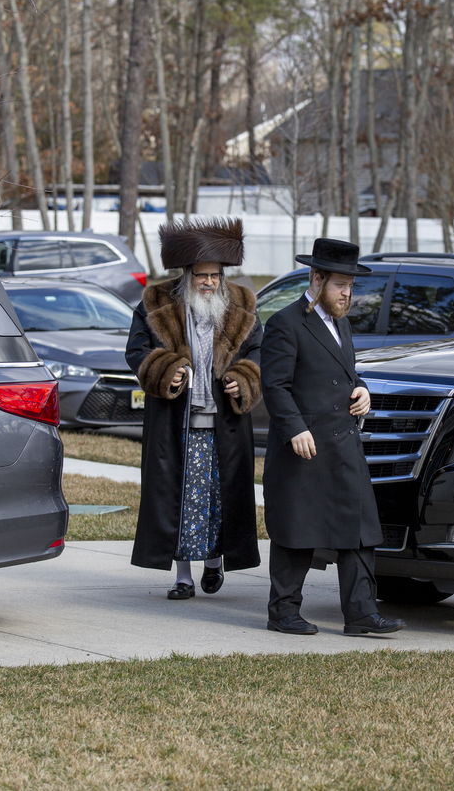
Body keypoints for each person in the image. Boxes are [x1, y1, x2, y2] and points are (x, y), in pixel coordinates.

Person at [260, 238, 404, 636]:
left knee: (359, 529)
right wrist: (295, 429)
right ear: (317, 277)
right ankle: (283, 612)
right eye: (341, 285)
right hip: (302, 448)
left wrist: (362, 389)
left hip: (343, 445)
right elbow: (275, 385)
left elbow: (344, 372)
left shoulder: (342, 323)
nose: (347, 294)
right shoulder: (285, 323)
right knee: (297, 529)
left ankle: (360, 614)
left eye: (351, 286)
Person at [125, 217, 263, 599]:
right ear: (186, 274)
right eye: (201, 275)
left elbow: (260, 353)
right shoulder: (156, 303)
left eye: (214, 275)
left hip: (226, 425)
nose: (208, 282)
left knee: (221, 498)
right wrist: (165, 371)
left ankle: (216, 561)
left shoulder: (243, 306)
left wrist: (245, 377)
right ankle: (182, 577)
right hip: (176, 423)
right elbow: (135, 350)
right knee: (180, 499)